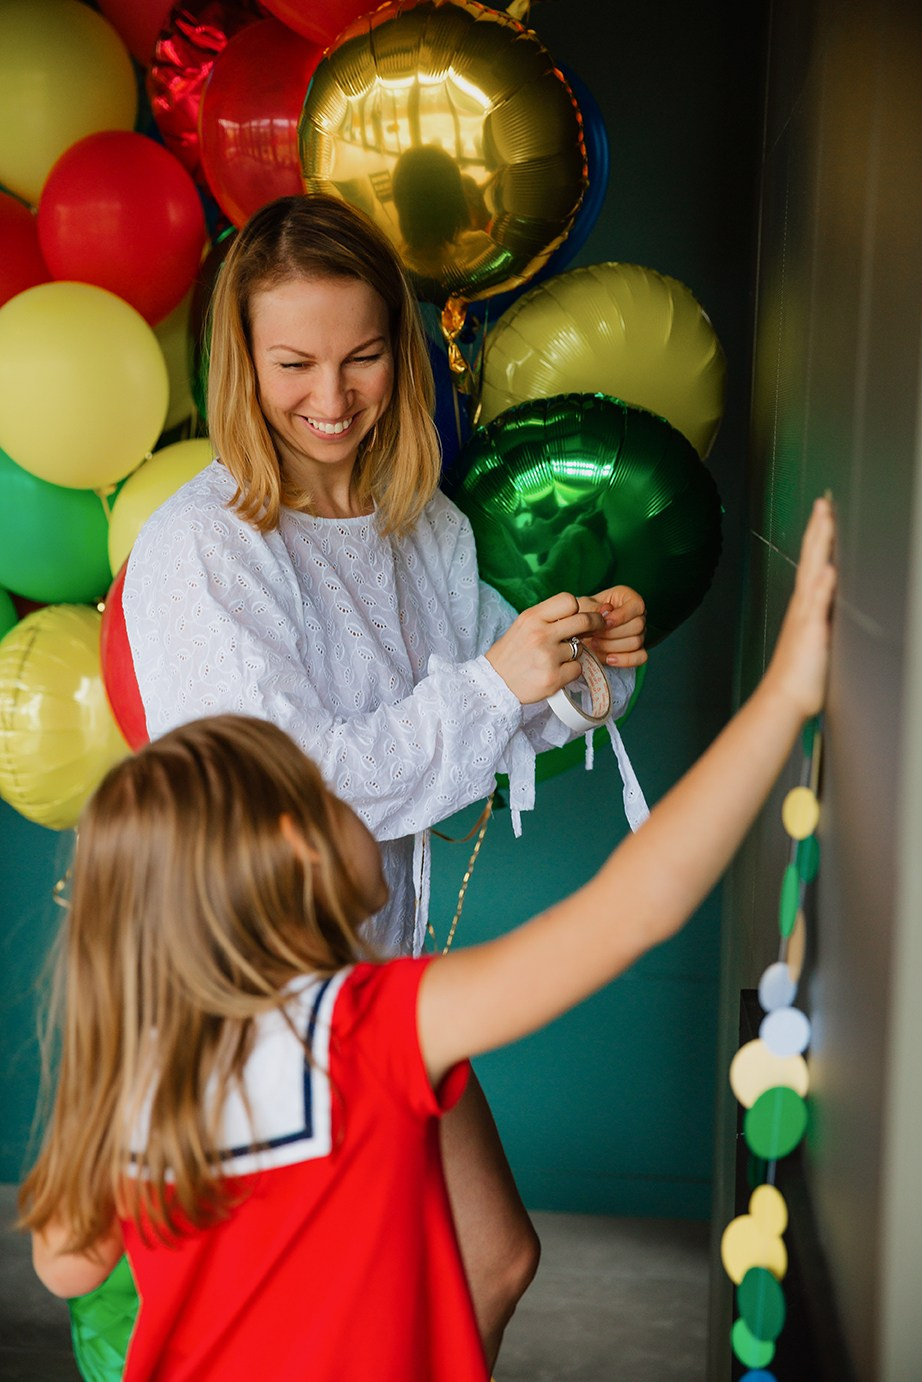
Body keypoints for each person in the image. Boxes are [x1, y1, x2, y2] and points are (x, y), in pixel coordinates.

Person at [20, 498, 836, 1381]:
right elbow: (638, 906)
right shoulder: (372, 1026)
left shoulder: (143, 1062)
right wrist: (787, 693)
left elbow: (66, 1262)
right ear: (296, 846)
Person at [121, 191, 648, 1360]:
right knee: (313, 1325)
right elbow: (292, 794)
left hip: (375, 979)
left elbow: (500, 721)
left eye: (362, 356)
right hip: (246, 1002)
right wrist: (498, 684)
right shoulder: (204, 544)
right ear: (240, 362)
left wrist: (582, 661)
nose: (330, 396)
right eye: (294, 361)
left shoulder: (424, 530)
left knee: (488, 1258)